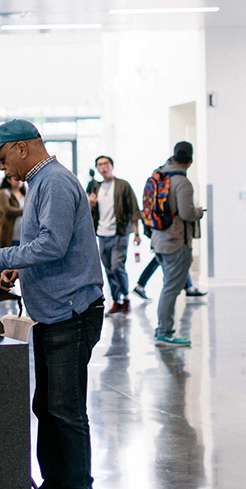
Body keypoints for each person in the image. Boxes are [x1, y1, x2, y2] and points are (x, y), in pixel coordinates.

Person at [0, 119, 104, 489]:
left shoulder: (55, 182)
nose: (2, 165)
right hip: (54, 313)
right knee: (47, 406)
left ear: (23, 148)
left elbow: (53, 244)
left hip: (71, 313)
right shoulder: (41, 183)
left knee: (66, 408)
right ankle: (56, 488)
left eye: (3, 155)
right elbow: (43, 243)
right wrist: (19, 269)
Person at [150, 142, 203, 348]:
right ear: (190, 160)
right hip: (175, 241)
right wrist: (199, 211)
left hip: (158, 239)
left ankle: (162, 330)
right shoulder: (181, 182)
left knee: (168, 287)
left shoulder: (159, 175)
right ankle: (165, 333)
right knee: (171, 289)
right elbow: (187, 213)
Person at [86, 155, 141, 316]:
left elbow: (134, 208)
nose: (103, 167)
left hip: (120, 233)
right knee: (109, 270)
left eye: (105, 164)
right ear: (97, 169)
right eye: (99, 165)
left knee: (117, 267)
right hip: (102, 234)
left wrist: (137, 233)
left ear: (112, 166)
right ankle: (117, 301)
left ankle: (126, 297)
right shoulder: (95, 187)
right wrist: (91, 203)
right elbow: (86, 212)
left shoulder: (123, 185)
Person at [132, 256, 204, 300]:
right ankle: (189, 288)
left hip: (162, 239)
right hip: (164, 239)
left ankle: (189, 287)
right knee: (180, 258)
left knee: (158, 259)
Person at [0, 176, 25, 248]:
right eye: (16, 179)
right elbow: (7, 210)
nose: (19, 181)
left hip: (23, 232)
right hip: (11, 232)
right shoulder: (4, 193)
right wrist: (25, 211)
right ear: (9, 180)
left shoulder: (25, 193)